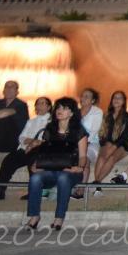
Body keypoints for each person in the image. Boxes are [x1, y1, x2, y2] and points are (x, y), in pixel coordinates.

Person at [24, 97, 89, 231]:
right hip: (51, 168)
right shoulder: (50, 129)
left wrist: (79, 167)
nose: (60, 110)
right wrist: (37, 164)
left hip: (71, 170)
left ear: (71, 113)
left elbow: (83, 156)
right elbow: (44, 151)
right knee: (35, 178)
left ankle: (59, 218)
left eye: (64, 108)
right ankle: (34, 216)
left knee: (63, 177)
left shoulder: (79, 131)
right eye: (58, 107)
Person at [0, 96, 50, 201]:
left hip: (39, 151)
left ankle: (33, 192)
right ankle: (0, 191)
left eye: (43, 103)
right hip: (24, 149)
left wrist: (34, 143)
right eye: (38, 103)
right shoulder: (31, 121)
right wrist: (31, 141)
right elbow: (21, 137)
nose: (39, 106)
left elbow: (46, 140)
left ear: (49, 107)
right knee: (8, 160)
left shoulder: (51, 122)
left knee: (33, 160)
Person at [90, 90, 128, 188]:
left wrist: (114, 146)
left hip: (123, 144)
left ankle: (97, 182)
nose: (116, 100)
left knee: (111, 158)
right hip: (108, 143)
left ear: (124, 101)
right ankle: (97, 185)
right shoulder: (106, 116)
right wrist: (106, 144)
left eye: (119, 98)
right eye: (115, 98)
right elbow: (102, 134)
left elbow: (125, 136)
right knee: (102, 156)